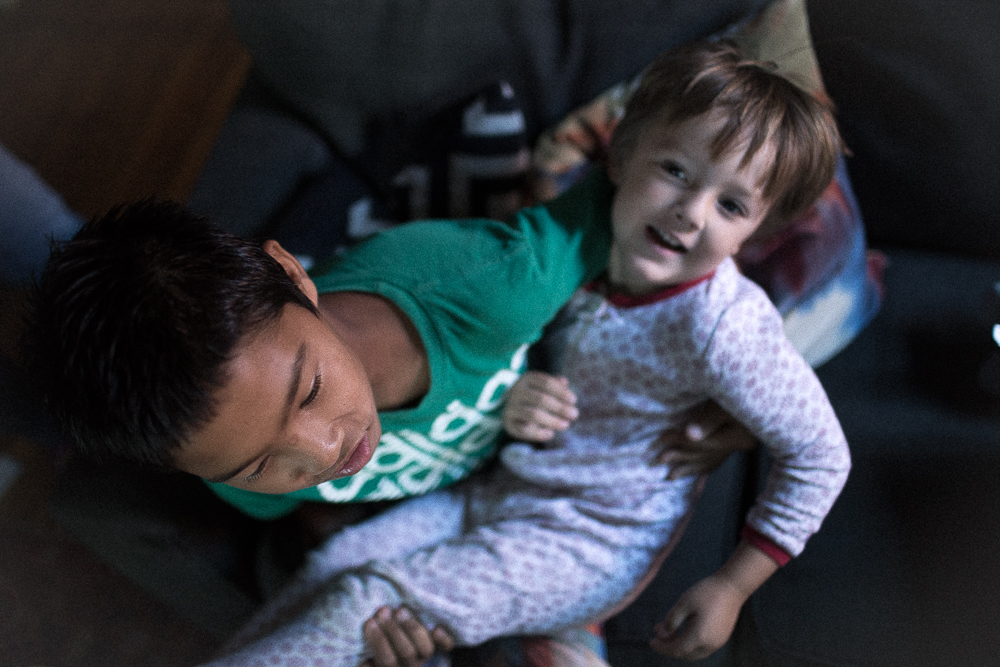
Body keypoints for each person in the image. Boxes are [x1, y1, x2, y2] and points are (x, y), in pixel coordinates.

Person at [170, 40, 847, 665]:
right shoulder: (585, 257)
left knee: (367, 599)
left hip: (588, 539)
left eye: (732, 206)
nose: (691, 212)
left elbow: (821, 455)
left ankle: (563, 631)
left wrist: (734, 584)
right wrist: (516, 401)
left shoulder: (724, 326)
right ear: (619, 159)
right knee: (333, 564)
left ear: (757, 231)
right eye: (674, 171)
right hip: (501, 490)